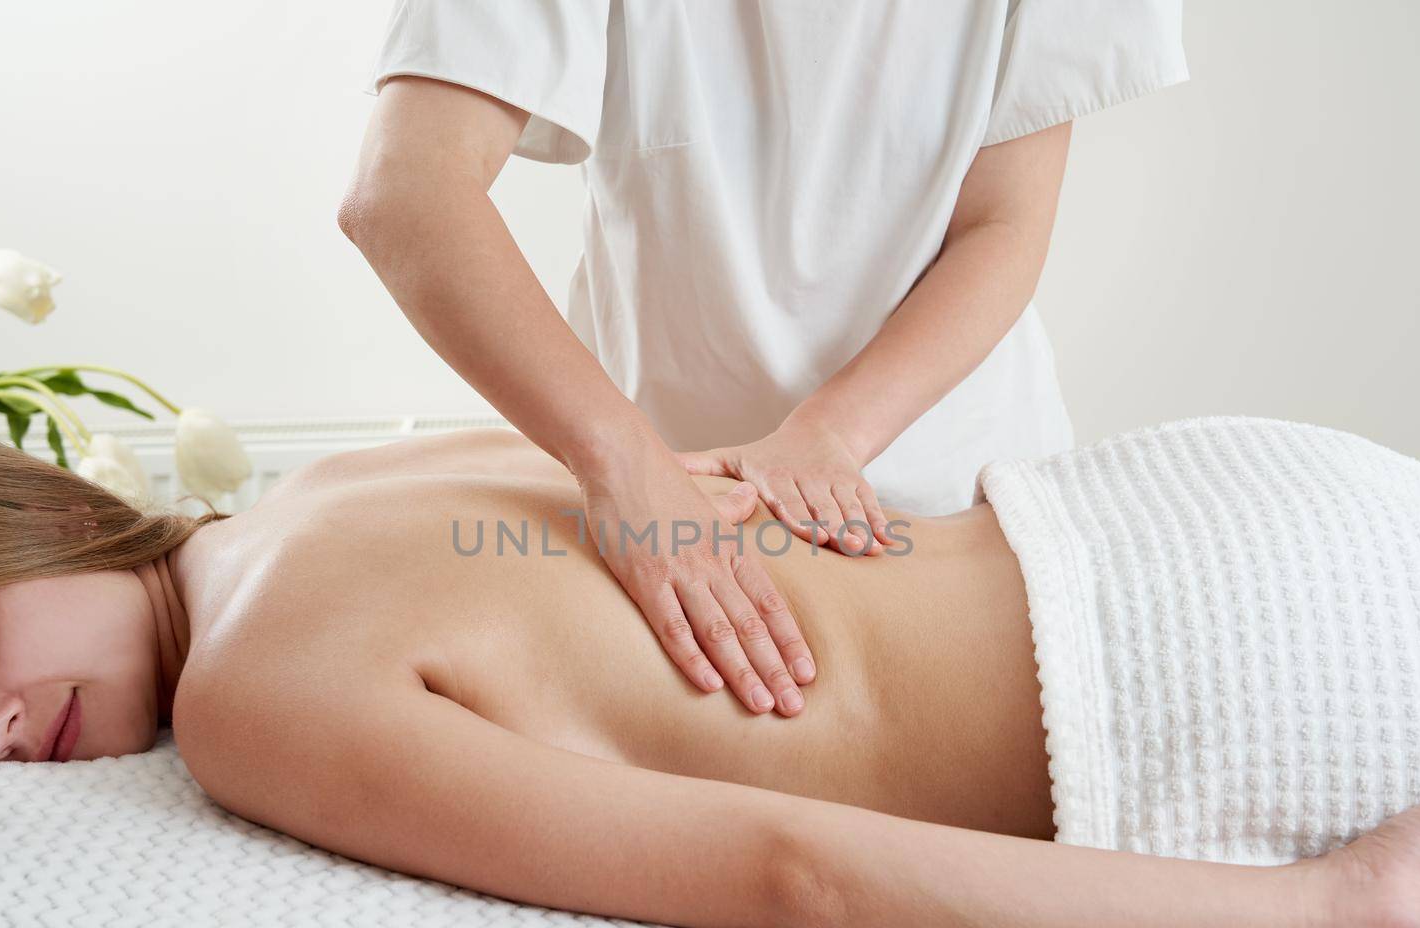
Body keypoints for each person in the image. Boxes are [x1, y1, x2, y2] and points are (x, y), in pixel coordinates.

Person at [0, 415, 1420, 928]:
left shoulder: (252, 695)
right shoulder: (347, 480)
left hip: (1213, 669)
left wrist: (1337, 908)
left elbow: (799, 871)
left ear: (54, 514)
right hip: (1221, 493)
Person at [337, 0, 1191, 716]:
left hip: (957, 507)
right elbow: (407, 187)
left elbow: (1002, 225)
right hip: (657, 520)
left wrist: (832, 433)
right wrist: (621, 462)